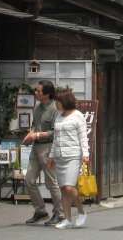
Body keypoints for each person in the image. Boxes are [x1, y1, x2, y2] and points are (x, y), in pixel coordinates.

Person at [23, 80, 64, 225]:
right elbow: (35, 125)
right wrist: (30, 134)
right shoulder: (37, 108)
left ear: (47, 94)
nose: (36, 93)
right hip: (35, 148)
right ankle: (40, 210)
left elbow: (56, 132)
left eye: (39, 91)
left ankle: (60, 213)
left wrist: (37, 135)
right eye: (36, 90)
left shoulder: (55, 108)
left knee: (51, 182)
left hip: (49, 148)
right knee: (29, 180)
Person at [48, 90, 91, 229]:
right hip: (60, 156)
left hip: (73, 155)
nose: (56, 104)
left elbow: (83, 137)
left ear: (65, 101)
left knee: (69, 187)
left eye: (58, 102)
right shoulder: (59, 117)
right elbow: (55, 138)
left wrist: (86, 154)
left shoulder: (78, 116)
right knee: (63, 189)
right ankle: (67, 219)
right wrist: (51, 156)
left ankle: (81, 211)